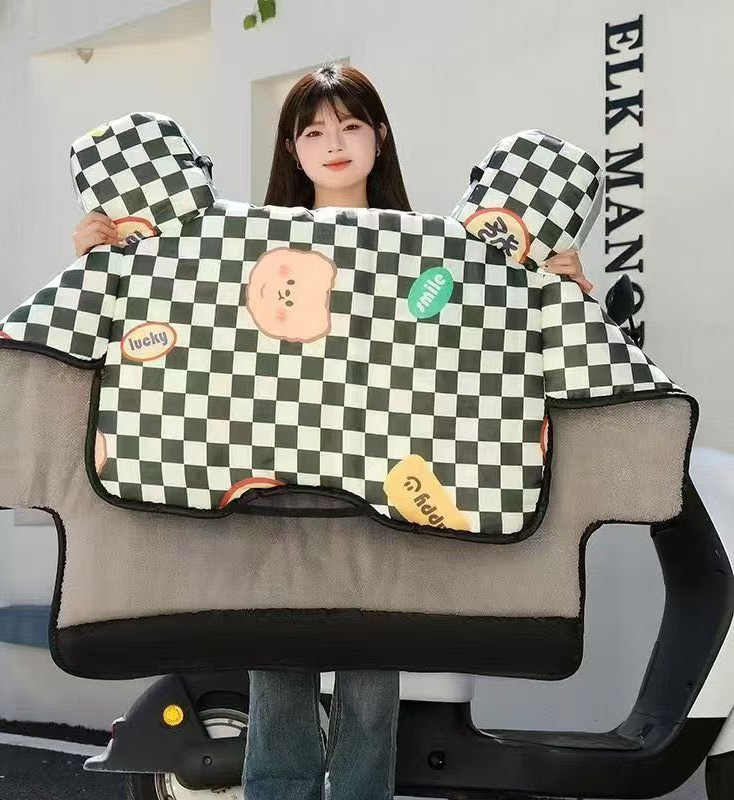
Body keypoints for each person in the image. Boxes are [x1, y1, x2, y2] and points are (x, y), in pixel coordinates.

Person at [70, 63, 594, 800]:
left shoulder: (439, 252)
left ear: (380, 136)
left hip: (388, 490)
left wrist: (555, 290)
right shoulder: (237, 244)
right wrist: (108, 257)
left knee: (372, 678)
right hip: (273, 483)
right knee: (278, 668)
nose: (335, 144)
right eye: (313, 131)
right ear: (292, 148)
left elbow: (477, 357)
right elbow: (184, 333)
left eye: (350, 125)